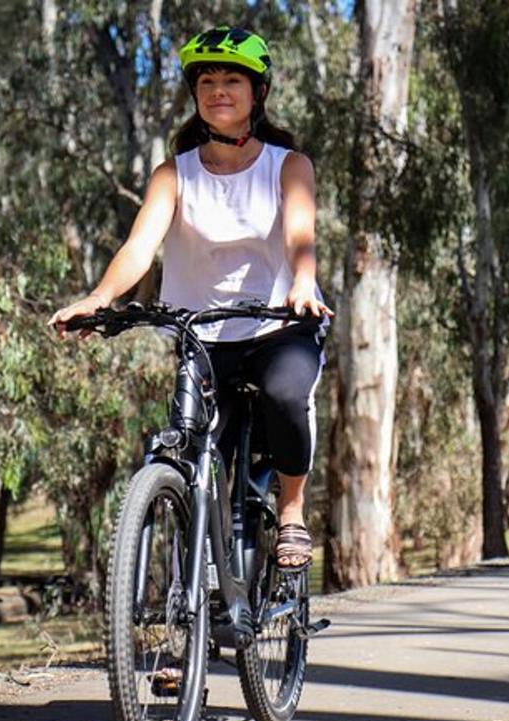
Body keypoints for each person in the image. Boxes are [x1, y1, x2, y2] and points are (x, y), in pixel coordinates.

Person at [49, 25, 331, 570]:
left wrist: (301, 281)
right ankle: (188, 620)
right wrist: (100, 297)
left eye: (232, 79)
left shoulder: (288, 164)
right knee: (193, 453)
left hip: (279, 324)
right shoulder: (173, 175)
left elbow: (301, 236)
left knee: (284, 394)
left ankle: (292, 511)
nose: (218, 89)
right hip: (201, 334)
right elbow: (140, 247)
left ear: (258, 92)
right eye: (206, 80)